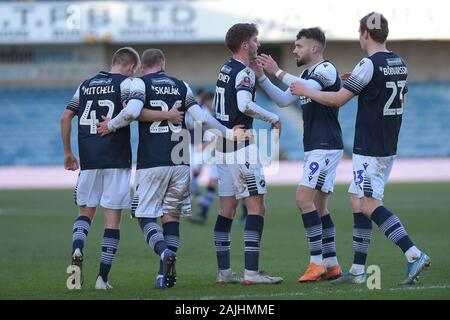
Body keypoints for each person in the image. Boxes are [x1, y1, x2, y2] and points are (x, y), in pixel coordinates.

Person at [290, 12, 430, 285]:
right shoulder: (398, 62)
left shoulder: (368, 63)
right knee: (357, 201)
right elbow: (397, 91)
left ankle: (413, 253)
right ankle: (356, 271)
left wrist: (308, 92)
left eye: (359, 33)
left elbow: (337, 100)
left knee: (367, 203)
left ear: (365, 34)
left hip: (370, 144)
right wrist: (361, 81)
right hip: (387, 142)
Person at [96, 48, 248, 289]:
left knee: (144, 216)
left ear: (143, 68)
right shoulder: (181, 85)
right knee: (171, 217)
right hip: (181, 161)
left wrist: (111, 125)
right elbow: (202, 119)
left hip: (153, 161)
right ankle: (164, 277)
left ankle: (164, 251)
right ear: (163, 64)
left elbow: (133, 112)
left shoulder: (139, 83)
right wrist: (229, 133)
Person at [254, 27, 343, 282]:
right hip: (318, 145)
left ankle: (316, 263)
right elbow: (283, 99)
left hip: (324, 145)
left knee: (303, 200)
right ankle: (332, 263)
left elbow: (304, 86)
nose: (294, 50)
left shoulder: (325, 70)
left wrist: (276, 70)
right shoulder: (306, 74)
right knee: (318, 205)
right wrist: (262, 78)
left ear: (314, 48)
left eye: (299, 46)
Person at [60, 47, 141, 290]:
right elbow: (132, 112)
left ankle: (77, 254)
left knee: (85, 214)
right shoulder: (128, 84)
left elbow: (65, 117)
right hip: (116, 160)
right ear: (130, 67)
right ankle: (102, 279)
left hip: (89, 160)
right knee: (112, 223)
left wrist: (67, 152)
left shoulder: (85, 85)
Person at [212, 23, 283, 285]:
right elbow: (243, 104)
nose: (259, 44)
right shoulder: (243, 73)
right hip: (242, 148)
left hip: (223, 147)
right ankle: (252, 273)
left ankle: (224, 272)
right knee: (256, 208)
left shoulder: (226, 68)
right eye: (255, 40)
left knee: (226, 209)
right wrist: (273, 117)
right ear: (245, 45)